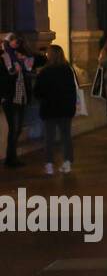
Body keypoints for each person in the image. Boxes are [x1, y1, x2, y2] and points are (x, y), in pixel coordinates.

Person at [34, 45, 78, 175]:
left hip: (49, 108)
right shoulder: (67, 70)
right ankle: (67, 162)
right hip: (65, 109)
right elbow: (72, 90)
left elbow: (37, 92)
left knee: (49, 137)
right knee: (66, 136)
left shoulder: (44, 72)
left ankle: (49, 164)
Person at [2, 34, 35, 167]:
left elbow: (35, 61)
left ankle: (12, 157)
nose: (17, 44)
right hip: (10, 97)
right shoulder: (5, 56)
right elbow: (4, 77)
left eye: (18, 42)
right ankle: (10, 159)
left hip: (20, 95)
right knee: (14, 128)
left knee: (18, 128)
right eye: (15, 42)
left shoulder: (18, 55)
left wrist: (24, 55)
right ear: (9, 42)